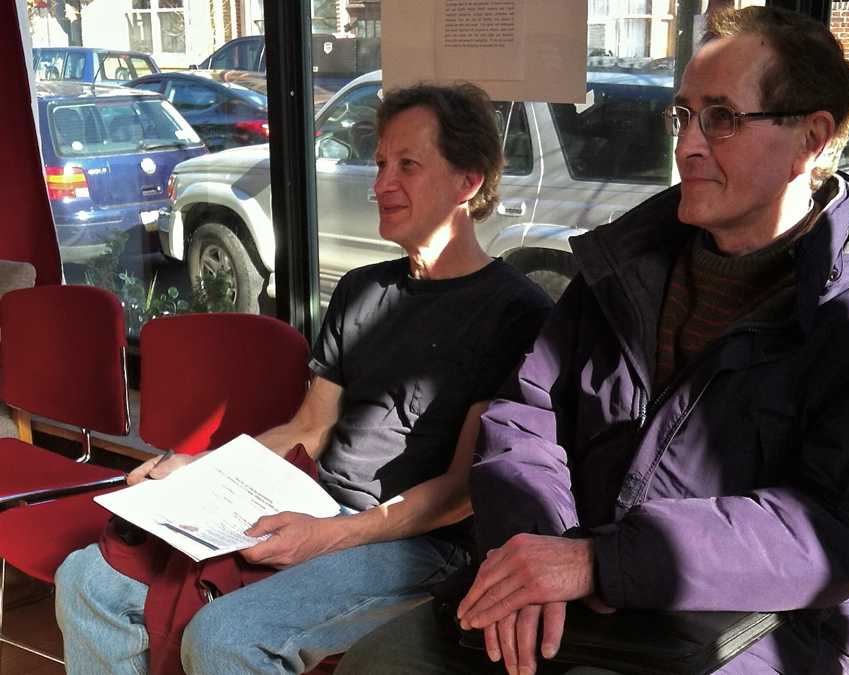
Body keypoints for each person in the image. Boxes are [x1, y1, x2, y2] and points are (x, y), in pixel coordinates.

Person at [336, 6, 849, 675]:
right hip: (571, 588)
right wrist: (534, 543)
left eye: (721, 118)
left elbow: (846, 527)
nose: (687, 143)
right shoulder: (624, 269)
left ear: (811, 137)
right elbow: (523, 415)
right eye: (683, 115)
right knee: (381, 662)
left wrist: (602, 562)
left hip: (755, 628)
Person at [53, 82, 553, 675]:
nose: (381, 184)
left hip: (417, 545)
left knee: (225, 638)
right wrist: (197, 471)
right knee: (86, 579)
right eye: (380, 164)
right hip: (312, 499)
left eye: (408, 166)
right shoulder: (362, 289)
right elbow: (309, 428)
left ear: (468, 182)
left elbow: (459, 492)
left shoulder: (515, 312)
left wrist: (327, 537)